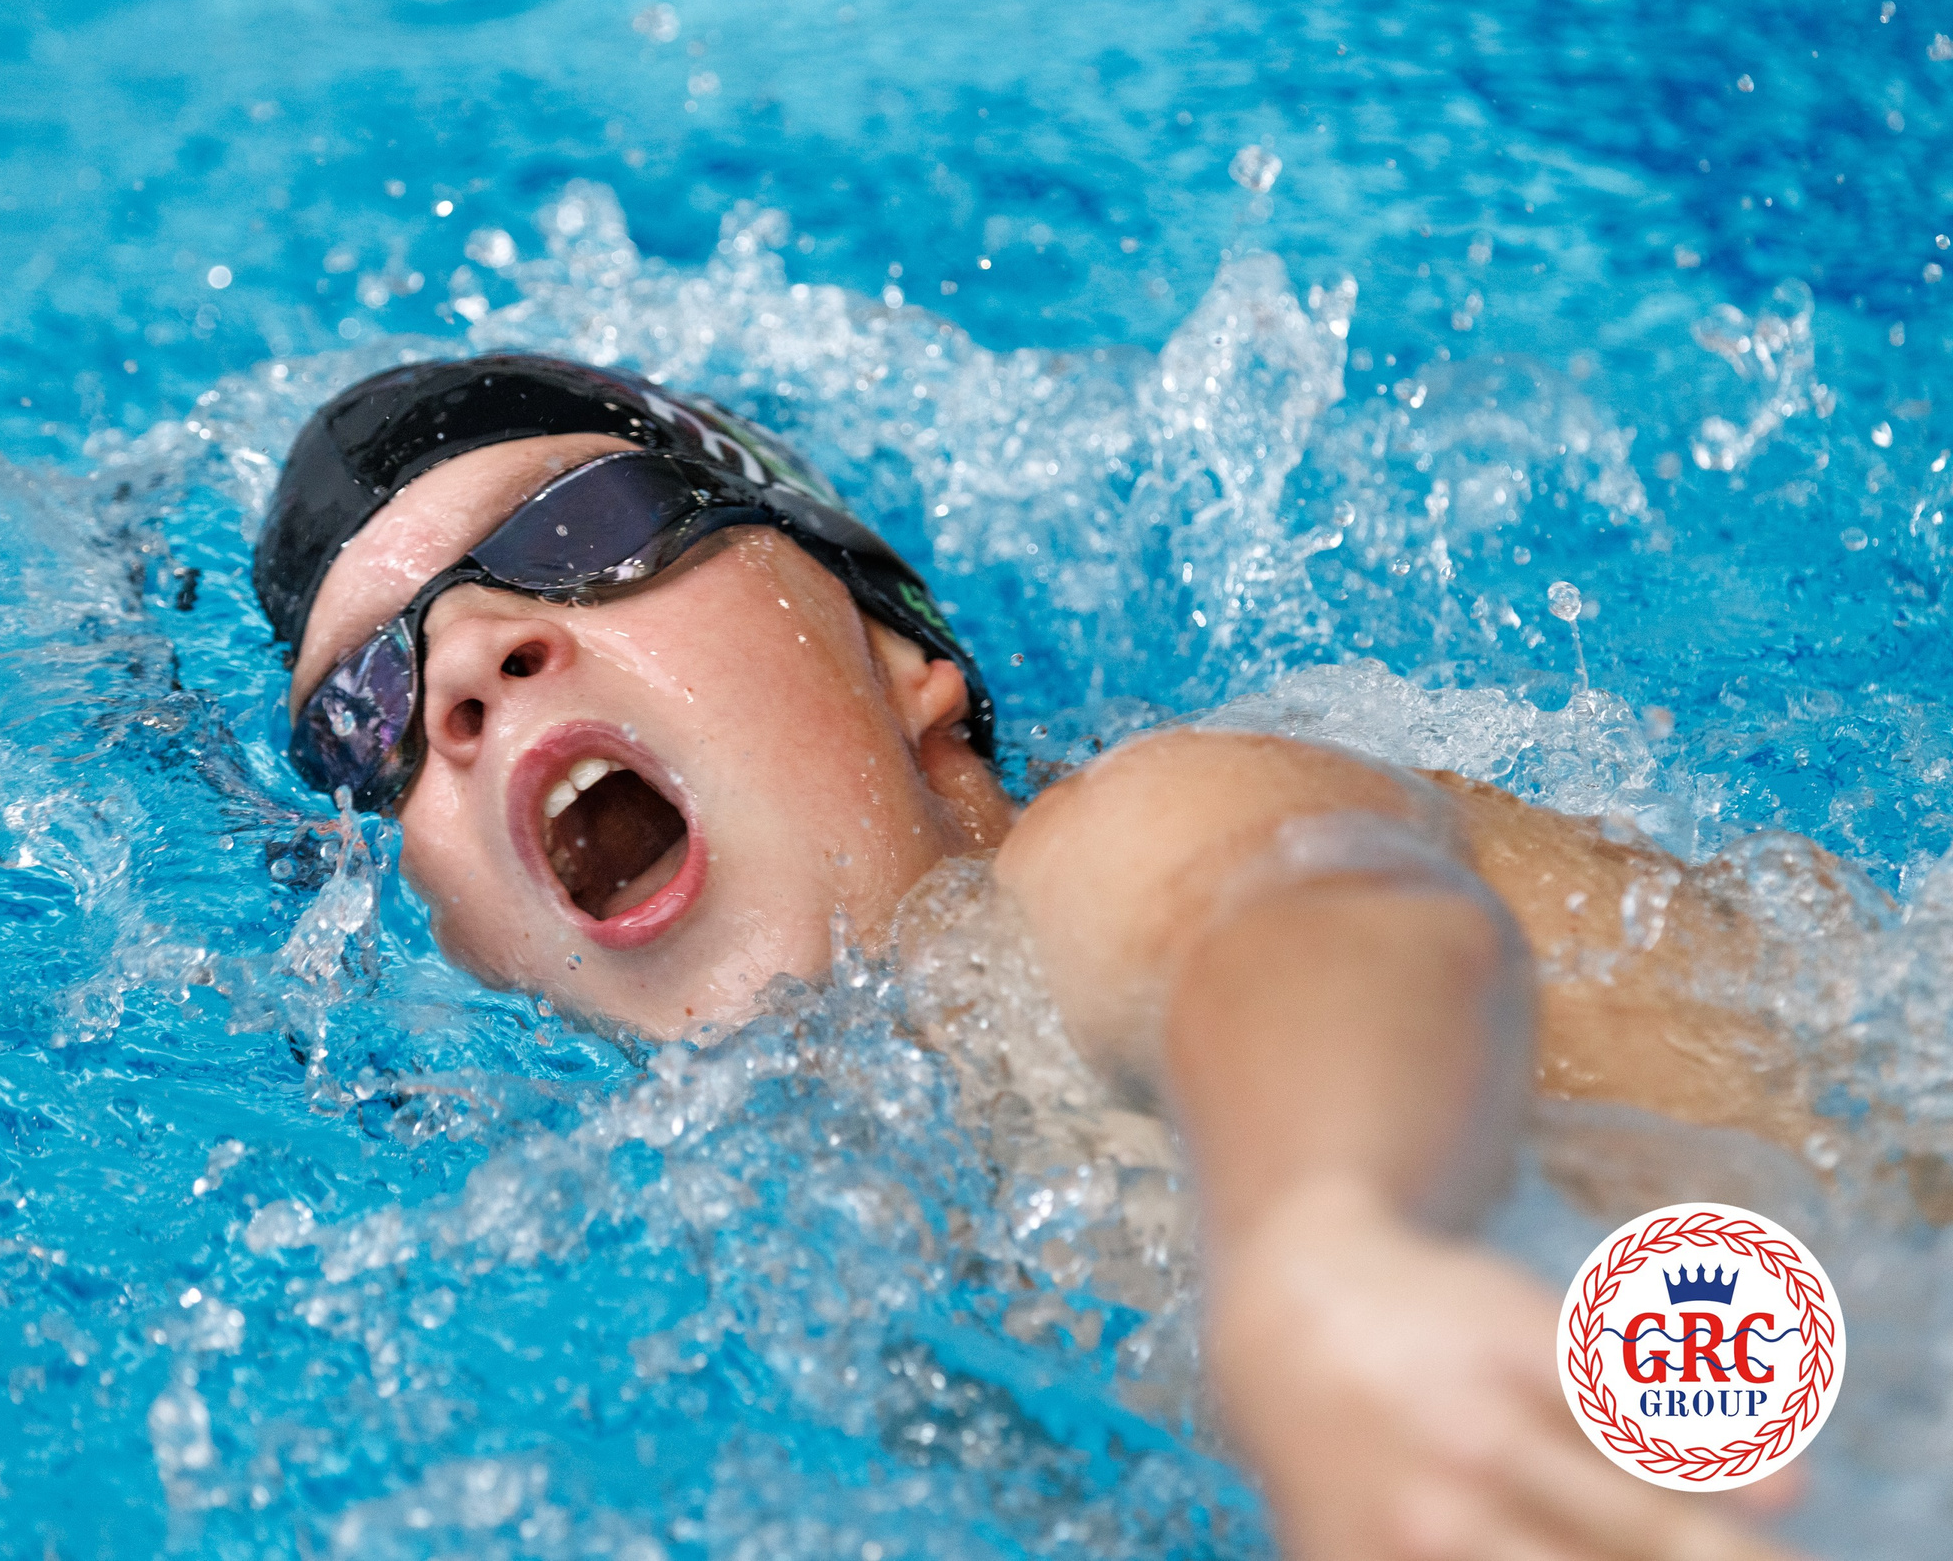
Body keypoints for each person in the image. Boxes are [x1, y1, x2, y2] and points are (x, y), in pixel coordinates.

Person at [254, 352, 1814, 1561]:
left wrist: (1333, 1250)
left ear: (903, 658)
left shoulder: (1115, 839)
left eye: (579, 531)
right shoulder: (858, 1263)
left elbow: (1290, 908)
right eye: (365, 716)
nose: (465, 663)